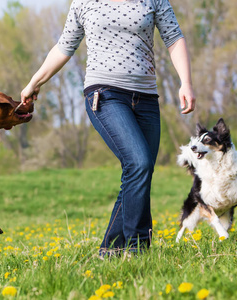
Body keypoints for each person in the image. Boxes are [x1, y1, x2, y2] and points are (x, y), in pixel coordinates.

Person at [21, 0, 196, 256]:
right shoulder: (84, 2)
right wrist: (34, 82)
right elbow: (64, 47)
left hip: (146, 97)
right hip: (104, 94)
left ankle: (111, 249)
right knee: (139, 163)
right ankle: (137, 249)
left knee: (139, 172)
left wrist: (186, 82)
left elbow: (174, 38)